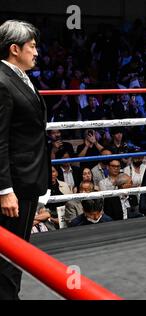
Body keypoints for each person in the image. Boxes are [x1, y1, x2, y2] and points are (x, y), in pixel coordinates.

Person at [0, 20, 50, 300]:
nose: (37, 52)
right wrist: (4, 190)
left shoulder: (18, 77)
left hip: (27, 179)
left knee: (18, 250)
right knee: (10, 252)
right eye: (32, 47)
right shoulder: (3, 82)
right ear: (14, 48)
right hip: (15, 184)